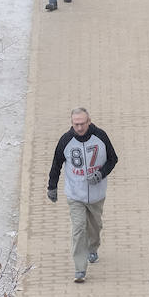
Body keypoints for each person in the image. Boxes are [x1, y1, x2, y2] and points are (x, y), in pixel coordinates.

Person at [46, 107, 118, 283]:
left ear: (89, 121)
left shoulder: (100, 136)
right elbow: (56, 164)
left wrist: (100, 174)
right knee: (78, 229)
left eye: (82, 123)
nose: (79, 127)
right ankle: (79, 269)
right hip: (75, 194)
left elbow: (113, 159)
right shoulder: (66, 140)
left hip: (96, 194)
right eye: (76, 124)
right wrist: (52, 187)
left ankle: (93, 248)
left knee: (95, 227)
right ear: (72, 123)